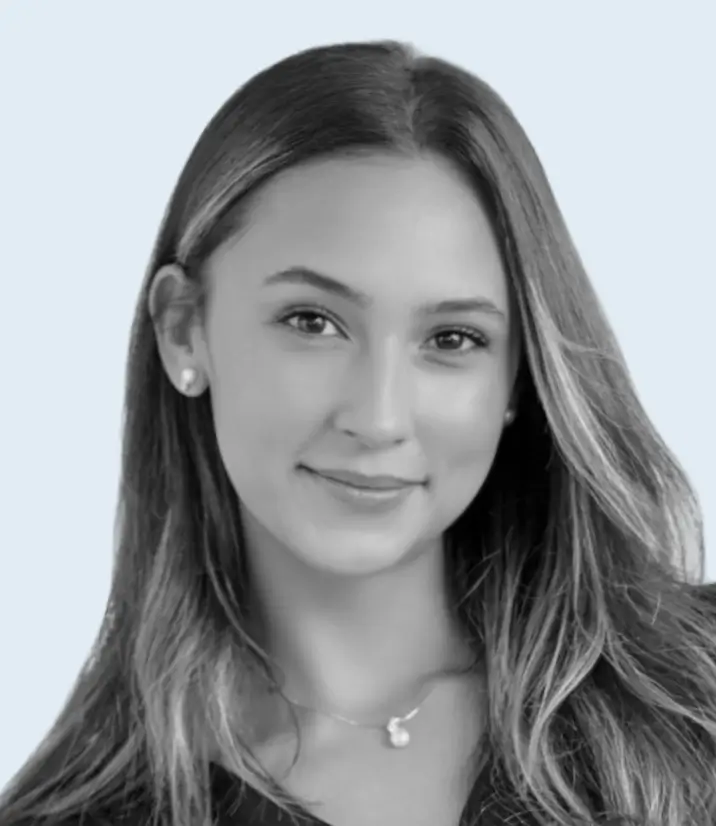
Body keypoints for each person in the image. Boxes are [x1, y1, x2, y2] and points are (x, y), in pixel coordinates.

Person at [1, 38, 715, 826]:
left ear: (516, 376)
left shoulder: (696, 695)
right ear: (183, 331)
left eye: (452, 340)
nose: (378, 418)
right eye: (313, 322)